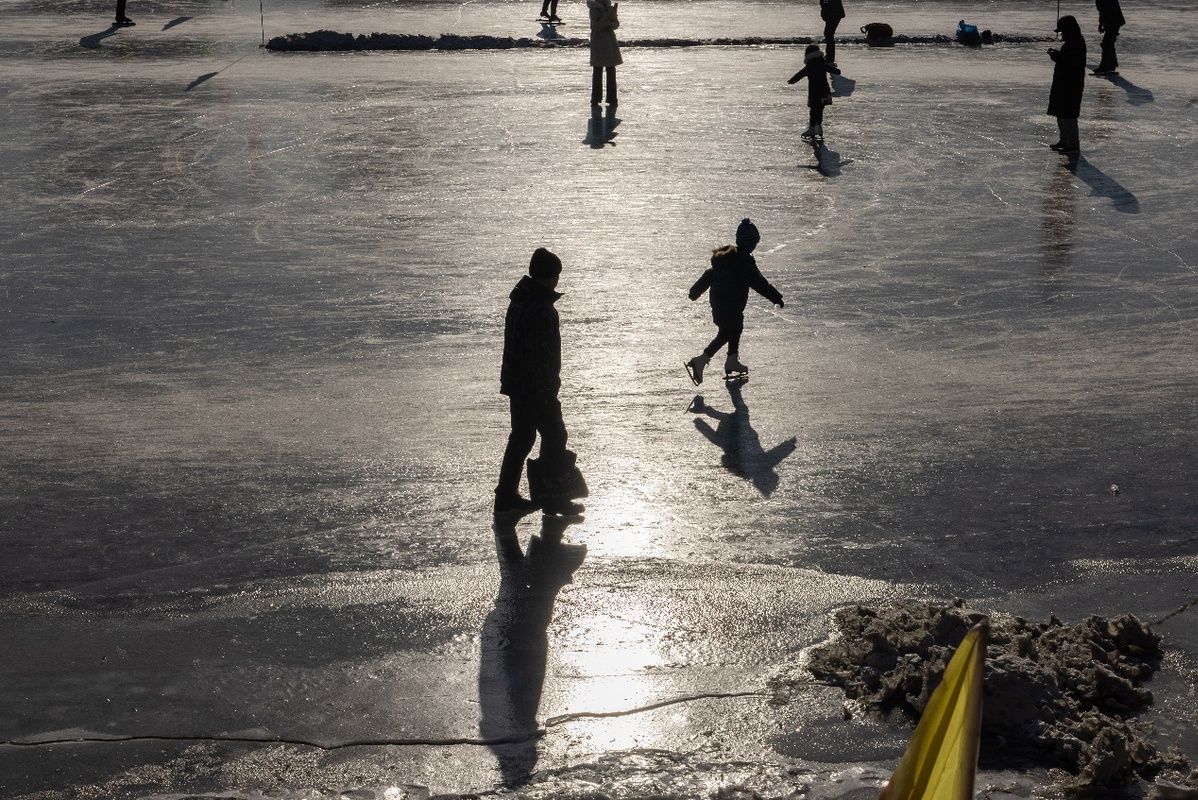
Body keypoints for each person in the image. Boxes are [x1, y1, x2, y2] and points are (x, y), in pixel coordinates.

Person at [495, 248, 584, 517]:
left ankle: (506, 496)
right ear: (549, 277)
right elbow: (540, 354)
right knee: (555, 435)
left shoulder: (521, 300)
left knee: (522, 438)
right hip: (535, 387)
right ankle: (553, 498)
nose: (558, 281)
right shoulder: (540, 308)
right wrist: (547, 389)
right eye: (556, 275)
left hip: (518, 383)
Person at [684, 219, 784, 385]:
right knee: (728, 332)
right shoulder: (745, 262)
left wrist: (695, 291)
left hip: (719, 305)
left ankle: (731, 360)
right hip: (731, 306)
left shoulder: (725, 258)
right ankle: (701, 360)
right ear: (752, 243)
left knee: (734, 328)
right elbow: (759, 283)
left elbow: (709, 274)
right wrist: (776, 297)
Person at [1047, 16, 1086, 155]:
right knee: (1060, 113)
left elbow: (1071, 63)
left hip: (1071, 84)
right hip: (1063, 83)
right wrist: (1057, 55)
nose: (1061, 33)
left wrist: (1057, 56)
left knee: (1068, 114)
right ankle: (1064, 140)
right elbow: (1066, 59)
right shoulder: (1070, 42)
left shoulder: (1076, 43)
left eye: (1062, 30)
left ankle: (1073, 144)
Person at [787, 43, 841, 142]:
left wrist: (791, 81)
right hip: (824, 91)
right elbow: (837, 71)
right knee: (820, 109)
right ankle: (818, 127)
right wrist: (834, 68)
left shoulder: (811, 64)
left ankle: (812, 128)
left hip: (815, 91)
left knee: (813, 110)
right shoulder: (822, 63)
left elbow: (800, 74)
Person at [588, 0, 621, 107]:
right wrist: (607, 19)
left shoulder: (610, 8)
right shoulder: (594, 9)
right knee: (597, 70)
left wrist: (612, 21)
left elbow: (616, 24)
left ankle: (612, 98)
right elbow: (595, 27)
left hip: (609, 42)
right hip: (598, 42)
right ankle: (595, 99)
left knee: (611, 70)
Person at [1093, 0, 1125, 75]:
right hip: (1111, 21)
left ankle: (1105, 67)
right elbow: (1102, 11)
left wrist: (1103, 24)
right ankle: (1111, 65)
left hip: (1114, 21)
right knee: (1109, 43)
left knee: (1106, 44)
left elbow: (1106, 11)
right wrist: (1101, 24)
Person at [819, 0, 846, 66]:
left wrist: (824, 14)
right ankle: (829, 57)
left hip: (834, 14)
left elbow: (827, 5)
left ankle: (830, 58)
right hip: (833, 13)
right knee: (828, 34)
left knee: (828, 34)